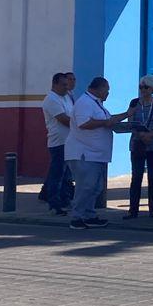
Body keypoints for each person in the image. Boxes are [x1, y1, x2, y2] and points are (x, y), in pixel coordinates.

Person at [67, 76, 132, 230]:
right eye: (107, 90)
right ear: (99, 88)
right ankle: (77, 217)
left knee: (95, 187)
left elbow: (110, 119)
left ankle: (89, 215)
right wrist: (105, 123)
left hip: (97, 154)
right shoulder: (84, 103)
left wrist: (127, 114)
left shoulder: (96, 104)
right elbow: (84, 123)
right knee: (86, 186)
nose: (108, 93)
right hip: (84, 153)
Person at [125, 77, 153, 219]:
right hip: (138, 144)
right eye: (141, 87)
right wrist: (140, 134)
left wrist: (150, 134)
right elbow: (130, 120)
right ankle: (133, 209)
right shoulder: (134, 103)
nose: (143, 90)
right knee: (136, 176)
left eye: (146, 87)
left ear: (152, 88)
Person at [39, 72, 76, 215]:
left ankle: (65, 199)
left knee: (67, 175)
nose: (67, 87)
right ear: (55, 84)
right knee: (57, 174)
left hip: (70, 141)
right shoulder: (51, 100)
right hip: (58, 142)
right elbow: (63, 119)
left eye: (68, 84)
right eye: (64, 85)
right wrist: (81, 125)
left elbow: (72, 115)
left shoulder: (67, 97)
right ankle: (54, 204)